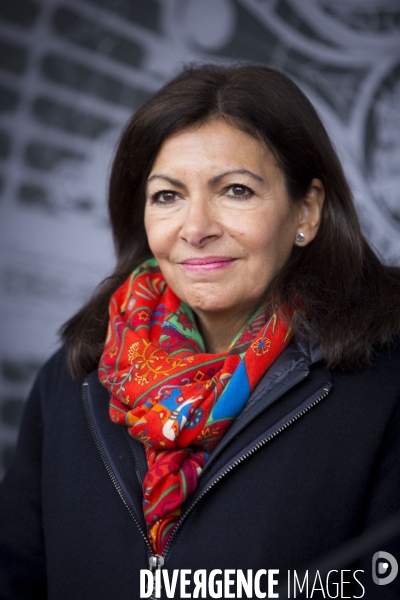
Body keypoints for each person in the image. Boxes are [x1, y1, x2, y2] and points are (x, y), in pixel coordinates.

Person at [0, 63, 400, 600]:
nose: (195, 228)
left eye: (235, 191)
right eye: (167, 196)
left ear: (306, 210)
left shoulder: (384, 384)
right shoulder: (74, 379)